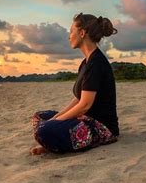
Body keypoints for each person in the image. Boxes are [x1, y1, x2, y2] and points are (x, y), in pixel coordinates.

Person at [30, 13, 119, 155]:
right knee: (39, 117)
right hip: (84, 119)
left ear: (82, 33)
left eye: (71, 31)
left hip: (101, 127)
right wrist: (55, 118)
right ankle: (54, 142)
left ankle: (53, 144)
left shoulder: (96, 63)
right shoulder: (86, 63)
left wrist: (55, 123)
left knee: (44, 130)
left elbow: (85, 105)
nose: (69, 36)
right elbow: (78, 99)